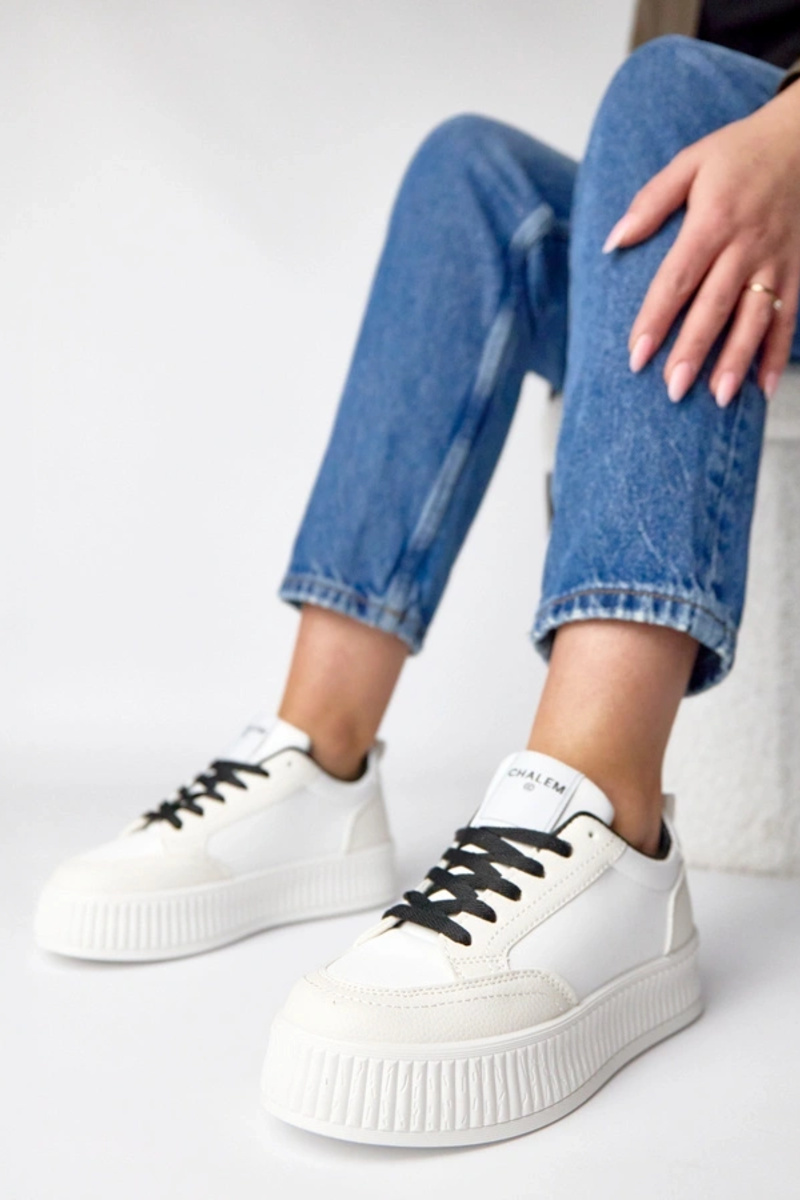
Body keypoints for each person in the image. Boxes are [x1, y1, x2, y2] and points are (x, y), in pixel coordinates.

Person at [33, 2, 800, 1148]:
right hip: (735, 219)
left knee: (672, 98)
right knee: (470, 174)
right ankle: (320, 761)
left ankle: (604, 819)